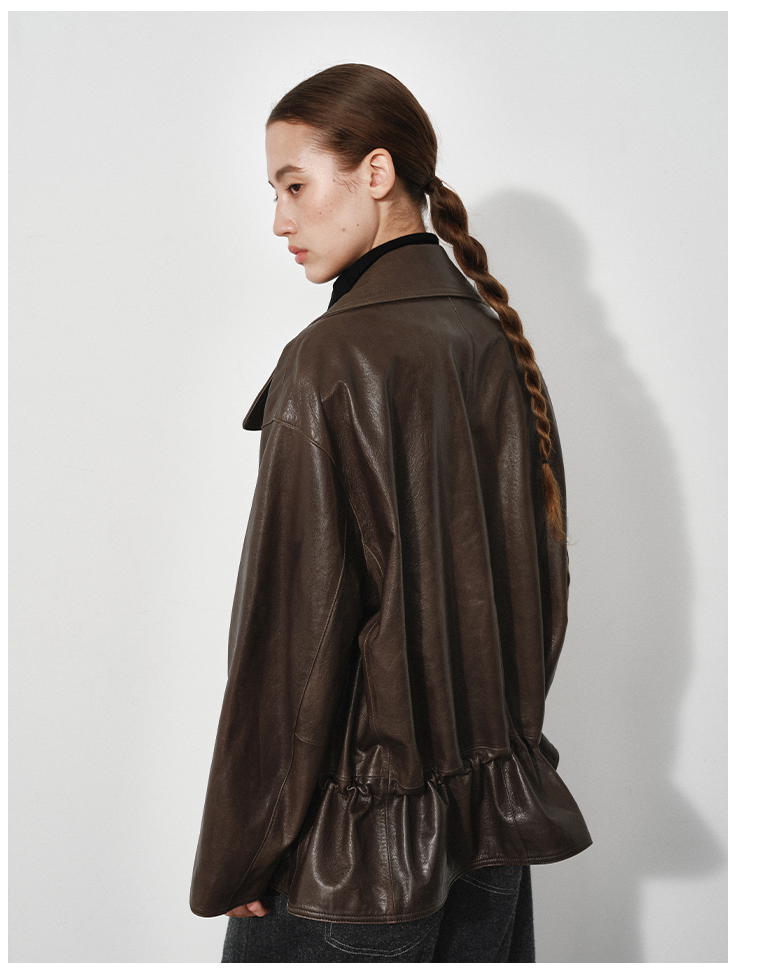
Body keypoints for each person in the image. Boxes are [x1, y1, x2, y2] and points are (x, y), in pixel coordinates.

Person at [190, 63, 591, 963]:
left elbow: (291, 640)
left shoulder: (329, 360)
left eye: (296, 186)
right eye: (274, 194)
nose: (280, 220)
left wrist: (244, 845)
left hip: (351, 860)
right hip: (488, 835)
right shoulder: (490, 339)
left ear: (376, 172)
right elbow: (544, 589)